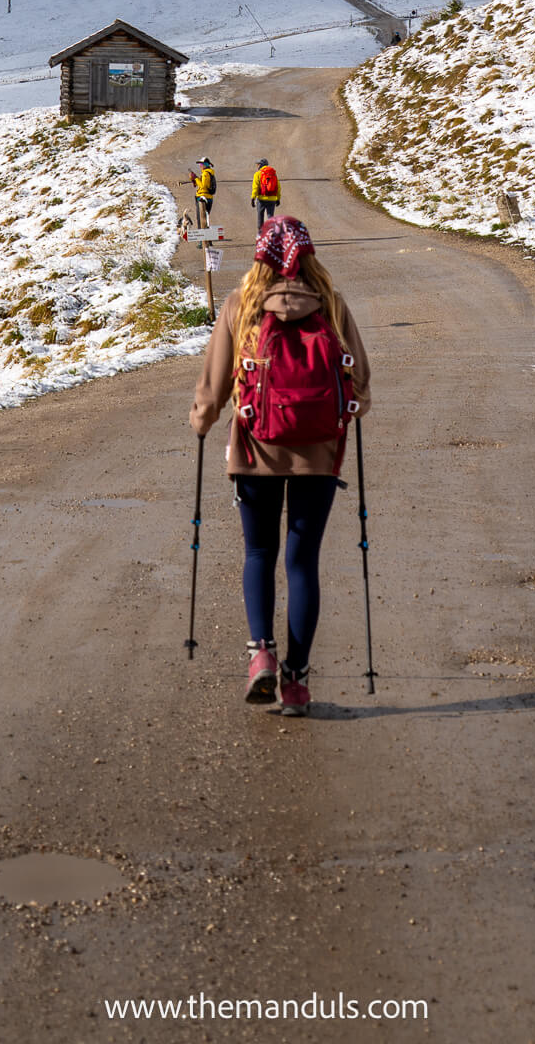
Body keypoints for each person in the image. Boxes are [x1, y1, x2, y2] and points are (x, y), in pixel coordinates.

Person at [190, 216, 371, 716]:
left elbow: (213, 386)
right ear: (310, 255)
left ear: (260, 255)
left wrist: (202, 422)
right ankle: (296, 682)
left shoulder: (241, 305)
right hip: (318, 454)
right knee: (301, 563)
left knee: (259, 554)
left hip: (254, 452)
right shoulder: (331, 307)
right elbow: (360, 386)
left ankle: (261, 656)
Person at [250, 157, 281, 232]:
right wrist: (278, 198)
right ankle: (271, 232)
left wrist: (253, 198)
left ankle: (260, 233)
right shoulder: (273, 173)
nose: (257, 166)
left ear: (261, 165)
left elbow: (255, 187)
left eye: (258, 164)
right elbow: (278, 186)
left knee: (260, 215)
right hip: (272, 199)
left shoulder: (258, 174)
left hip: (261, 198)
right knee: (270, 216)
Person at [190, 157, 216, 227]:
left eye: (201, 164)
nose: (200, 166)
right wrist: (196, 179)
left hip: (203, 197)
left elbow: (203, 186)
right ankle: (205, 234)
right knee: (205, 217)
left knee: (201, 218)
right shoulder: (210, 173)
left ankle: (202, 235)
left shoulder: (205, 174)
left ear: (205, 165)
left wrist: (195, 178)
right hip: (209, 197)